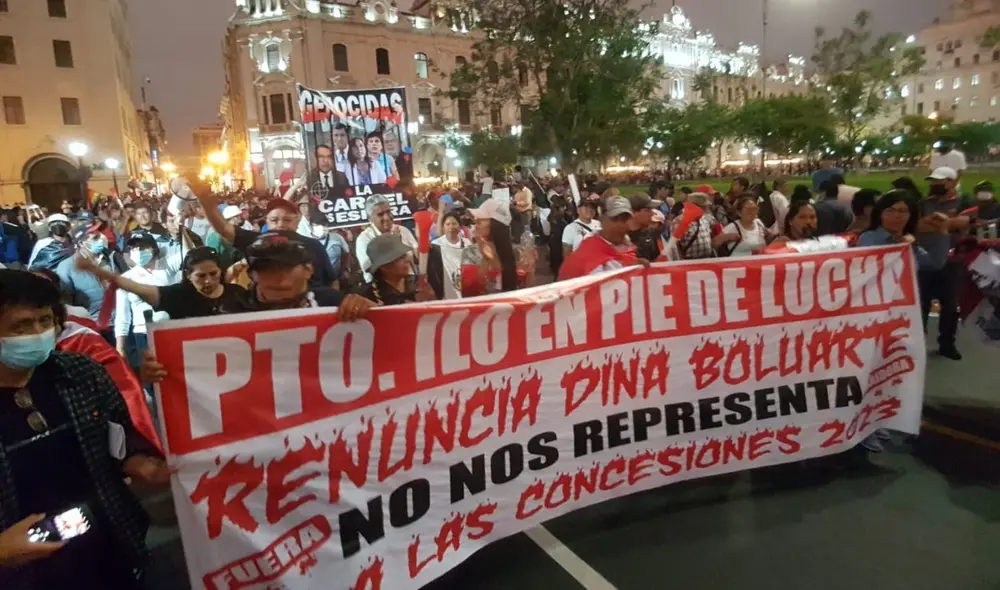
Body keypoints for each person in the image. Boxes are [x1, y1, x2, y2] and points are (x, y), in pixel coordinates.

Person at [0, 270, 169, 589]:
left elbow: (118, 436)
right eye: (20, 326)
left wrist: (137, 461)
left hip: (111, 541)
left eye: (44, 320)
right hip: (24, 570)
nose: (37, 333)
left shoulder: (81, 373)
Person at [855, 191, 931, 452]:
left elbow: (934, 264)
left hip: (899, 319)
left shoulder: (909, 241)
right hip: (873, 318)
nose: (897, 216)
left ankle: (880, 419)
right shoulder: (870, 239)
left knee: (891, 369)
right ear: (881, 212)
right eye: (892, 210)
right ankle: (865, 427)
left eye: (903, 211)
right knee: (870, 371)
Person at [196, 193, 338, 288]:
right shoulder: (256, 242)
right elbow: (224, 229)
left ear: (297, 221)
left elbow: (332, 281)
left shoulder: (314, 245)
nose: (281, 224)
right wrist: (204, 198)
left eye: (287, 220)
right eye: (274, 220)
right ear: (267, 222)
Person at [78, 246, 247, 320]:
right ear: (188, 275)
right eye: (201, 276)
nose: (208, 280)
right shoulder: (178, 295)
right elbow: (137, 287)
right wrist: (99, 271)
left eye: (213, 273)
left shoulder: (238, 294)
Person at [916, 166, 970, 361]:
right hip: (924, 258)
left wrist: (942, 223)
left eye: (940, 181)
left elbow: (962, 223)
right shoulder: (923, 203)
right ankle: (918, 343)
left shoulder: (964, 201)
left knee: (950, 304)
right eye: (932, 181)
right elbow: (917, 225)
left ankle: (947, 344)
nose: (935, 185)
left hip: (952, 260)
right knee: (921, 303)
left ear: (953, 182)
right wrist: (943, 223)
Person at [54, 223, 127, 321]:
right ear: (81, 243)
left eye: (100, 235)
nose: (101, 239)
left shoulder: (113, 257)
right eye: (95, 238)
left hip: (121, 320)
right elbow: (65, 304)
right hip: (92, 324)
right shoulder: (66, 267)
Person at [559, 196, 643, 279]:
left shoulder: (626, 246)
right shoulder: (586, 249)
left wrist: (635, 269)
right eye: (615, 219)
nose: (620, 225)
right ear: (603, 218)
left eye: (625, 219)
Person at [356, 195, 418, 284]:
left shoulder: (402, 230)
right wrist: (395, 243)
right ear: (370, 219)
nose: (387, 217)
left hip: (410, 285)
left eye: (388, 212)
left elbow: (417, 258)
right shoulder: (364, 239)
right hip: (383, 291)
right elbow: (371, 271)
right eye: (380, 214)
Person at [461, 199, 518, 295]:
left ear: (496, 225)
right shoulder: (471, 251)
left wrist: (530, 270)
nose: (476, 223)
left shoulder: (515, 255)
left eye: (481, 220)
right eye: (476, 220)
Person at [358, 234, 420, 305]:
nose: (407, 260)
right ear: (384, 266)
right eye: (400, 257)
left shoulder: (418, 283)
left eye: (405, 255)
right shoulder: (370, 295)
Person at [670, 192, 727, 260]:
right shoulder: (679, 221)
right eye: (704, 206)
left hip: (707, 260)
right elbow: (674, 246)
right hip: (689, 262)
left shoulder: (706, 219)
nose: (707, 208)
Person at [428, 211, 471, 299]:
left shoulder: (467, 243)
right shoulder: (436, 245)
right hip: (445, 284)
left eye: (454, 223)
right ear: (443, 227)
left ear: (460, 226)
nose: (451, 227)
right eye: (447, 224)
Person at [205, 205, 244, 271]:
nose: (241, 218)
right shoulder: (217, 236)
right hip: (226, 269)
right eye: (239, 216)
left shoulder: (238, 231)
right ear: (234, 217)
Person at [627, 195, 663, 262]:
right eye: (648, 210)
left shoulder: (652, 233)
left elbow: (657, 260)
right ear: (633, 212)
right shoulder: (619, 236)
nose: (652, 213)